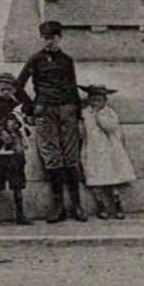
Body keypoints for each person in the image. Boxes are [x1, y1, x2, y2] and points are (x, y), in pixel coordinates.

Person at [15, 20, 87, 223]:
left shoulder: (67, 61)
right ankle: (59, 207)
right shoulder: (35, 60)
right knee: (53, 158)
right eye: (45, 38)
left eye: (52, 38)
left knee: (71, 157)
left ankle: (77, 205)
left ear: (59, 37)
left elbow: (73, 88)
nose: (48, 42)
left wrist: (79, 116)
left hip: (67, 110)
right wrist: (31, 106)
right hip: (45, 111)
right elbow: (18, 86)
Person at [0, 72, 33, 226]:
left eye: (9, 89)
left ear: (14, 90)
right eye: (3, 89)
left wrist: (18, 127)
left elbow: (27, 125)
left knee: (17, 183)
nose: (5, 92)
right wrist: (1, 131)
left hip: (15, 153)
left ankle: (20, 214)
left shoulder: (18, 107)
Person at [79, 85, 135, 220]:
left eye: (99, 100)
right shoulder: (85, 113)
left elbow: (110, 128)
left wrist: (99, 117)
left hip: (108, 149)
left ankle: (117, 204)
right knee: (94, 176)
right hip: (92, 148)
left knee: (111, 176)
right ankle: (100, 205)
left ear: (105, 101)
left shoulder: (109, 113)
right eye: (93, 100)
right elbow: (81, 131)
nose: (96, 103)